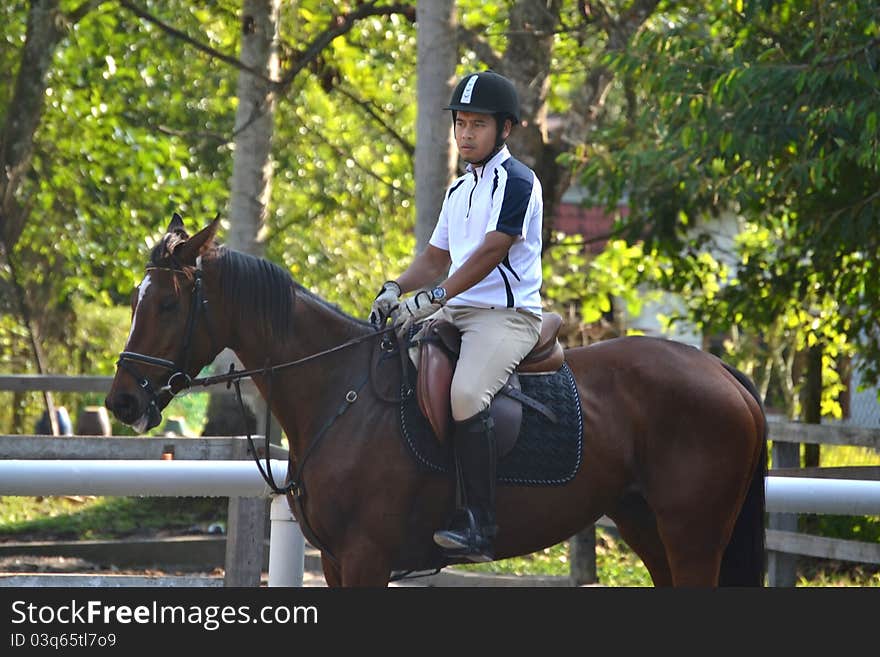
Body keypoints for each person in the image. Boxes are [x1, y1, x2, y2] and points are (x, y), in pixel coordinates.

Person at [369, 70, 544, 562]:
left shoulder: (518, 182)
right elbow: (434, 258)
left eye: (478, 125)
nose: (465, 134)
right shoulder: (457, 191)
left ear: (505, 129)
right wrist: (396, 287)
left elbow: (491, 251)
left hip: (505, 317)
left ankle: (480, 524)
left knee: (467, 394)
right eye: (460, 123)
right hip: (457, 311)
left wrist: (436, 296)